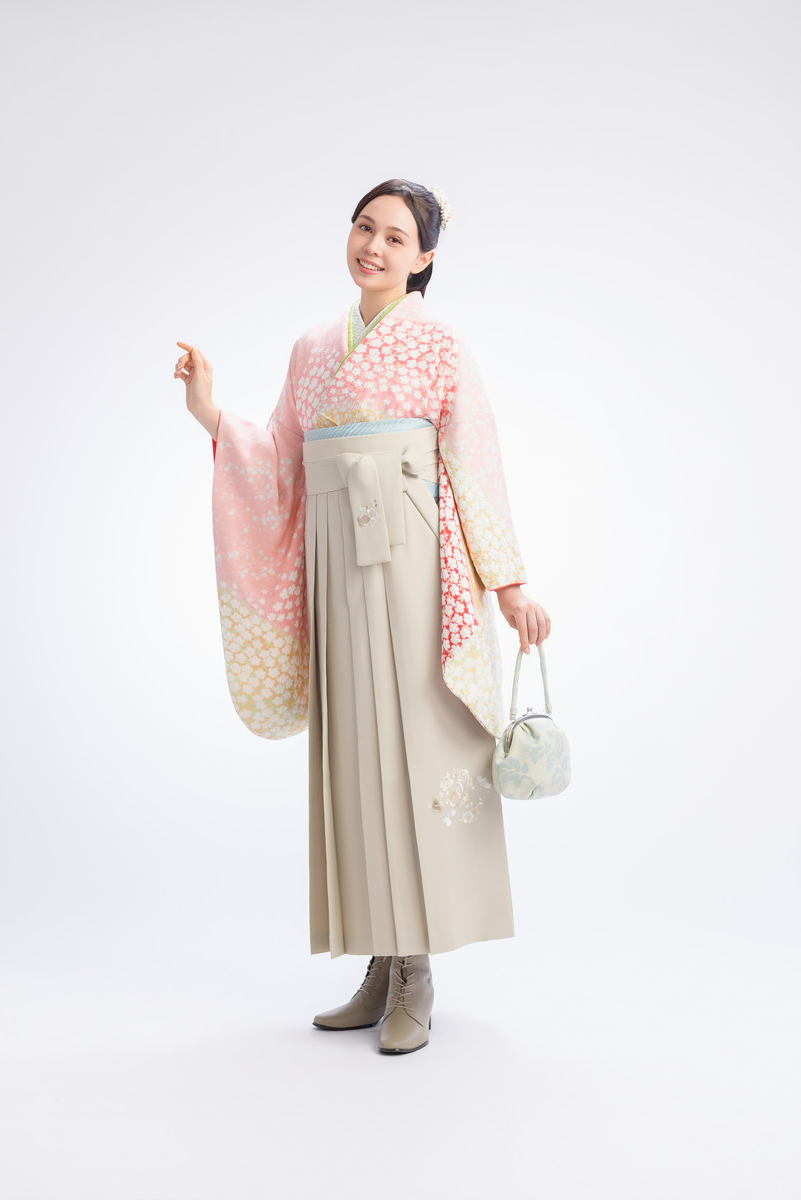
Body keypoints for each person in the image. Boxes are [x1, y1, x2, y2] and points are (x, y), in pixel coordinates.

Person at [175, 178, 550, 1055]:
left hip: (412, 555)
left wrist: (508, 585)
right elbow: (279, 457)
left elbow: (475, 461)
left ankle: (418, 970)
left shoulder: (440, 344)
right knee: (356, 752)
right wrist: (209, 414)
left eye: (395, 237)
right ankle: (380, 962)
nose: (373, 247)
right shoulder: (313, 347)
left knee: (415, 744)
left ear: (424, 259)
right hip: (335, 557)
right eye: (363, 228)